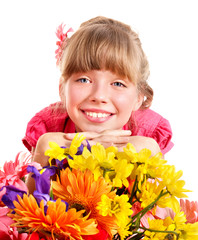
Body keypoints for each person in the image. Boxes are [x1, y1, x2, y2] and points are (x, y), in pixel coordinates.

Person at [23, 16, 173, 191]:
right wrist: (45, 147)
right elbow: (26, 209)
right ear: (62, 89)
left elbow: (163, 214)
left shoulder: (148, 133)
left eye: (118, 84)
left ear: (138, 97)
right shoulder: (48, 128)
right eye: (84, 80)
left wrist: (150, 151)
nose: (99, 96)